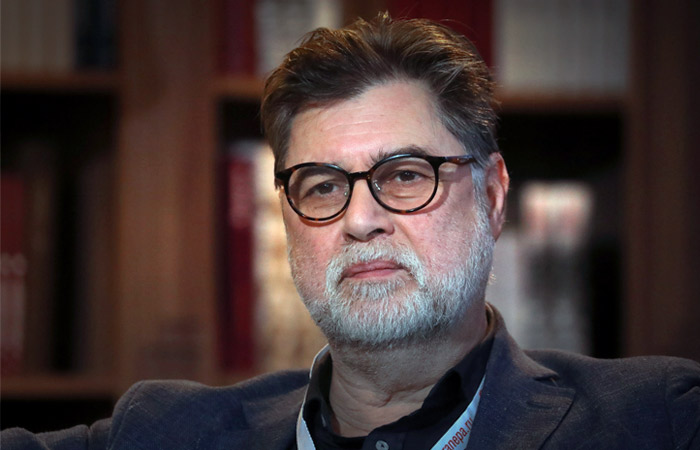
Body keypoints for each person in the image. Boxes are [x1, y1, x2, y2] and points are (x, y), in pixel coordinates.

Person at [3, 12, 699, 450]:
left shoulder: (660, 420)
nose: (361, 219)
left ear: (492, 196)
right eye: (323, 186)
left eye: (406, 175)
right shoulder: (165, 432)